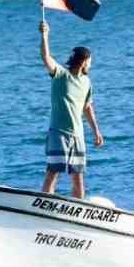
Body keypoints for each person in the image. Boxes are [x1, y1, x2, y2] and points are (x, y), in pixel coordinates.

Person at [39, 18, 103, 199]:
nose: (91, 64)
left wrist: (96, 131)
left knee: (78, 177)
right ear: (84, 61)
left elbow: (87, 107)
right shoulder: (60, 75)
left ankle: (79, 211)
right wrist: (45, 35)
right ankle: (43, 204)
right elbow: (46, 57)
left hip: (78, 135)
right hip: (58, 133)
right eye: (90, 60)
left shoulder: (86, 82)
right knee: (54, 172)